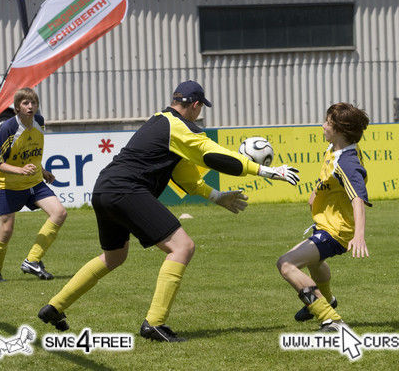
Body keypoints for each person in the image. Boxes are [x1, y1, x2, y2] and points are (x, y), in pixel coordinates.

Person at [38, 80, 300, 341]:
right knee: (182, 247)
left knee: (114, 256)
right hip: (126, 189)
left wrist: (217, 196)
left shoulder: (159, 121)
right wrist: (267, 171)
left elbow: (186, 176)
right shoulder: (179, 127)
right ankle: (154, 323)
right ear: (196, 105)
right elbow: (214, 155)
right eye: (200, 108)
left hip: (104, 189)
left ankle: (54, 307)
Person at [276, 102, 371, 332]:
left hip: (337, 231)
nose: (323, 126)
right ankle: (327, 299)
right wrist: (316, 191)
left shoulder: (347, 163)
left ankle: (330, 319)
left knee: (286, 264)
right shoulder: (334, 149)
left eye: (327, 123)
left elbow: (357, 198)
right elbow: (328, 177)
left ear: (339, 130)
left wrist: (359, 235)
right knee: (315, 263)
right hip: (326, 225)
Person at [0, 87, 67, 282]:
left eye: (33, 103)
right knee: (6, 231)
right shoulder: (8, 128)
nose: (30, 106)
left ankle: (32, 260)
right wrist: (20, 170)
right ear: (17, 107)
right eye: (25, 103)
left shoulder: (39, 122)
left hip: (34, 182)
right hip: (9, 185)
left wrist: (43, 171)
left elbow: (32, 155)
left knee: (60, 213)